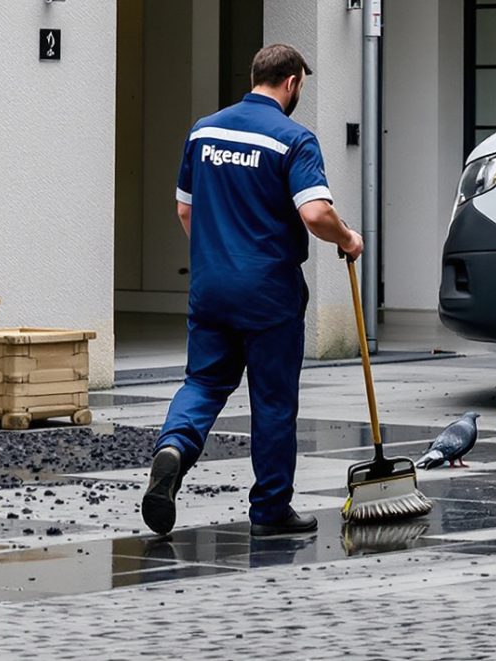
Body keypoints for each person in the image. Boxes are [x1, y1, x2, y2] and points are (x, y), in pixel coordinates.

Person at [142, 43, 363, 537]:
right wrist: (348, 238)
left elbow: (185, 210)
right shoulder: (294, 139)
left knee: (202, 382)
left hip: (211, 286)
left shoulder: (204, 130)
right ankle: (268, 509)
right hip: (270, 292)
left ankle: (174, 447)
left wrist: (216, 256)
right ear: (291, 83)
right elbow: (314, 214)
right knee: (273, 400)